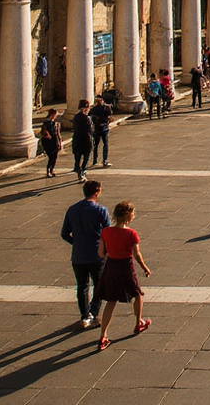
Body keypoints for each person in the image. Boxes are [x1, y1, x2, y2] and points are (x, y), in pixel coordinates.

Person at [95, 200, 152, 351]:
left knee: (111, 300)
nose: (134, 215)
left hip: (111, 266)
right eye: (133, 213)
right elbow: (137, 254)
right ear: (127, 215)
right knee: (137, 294)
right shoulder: (131, 233)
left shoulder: (106, 231)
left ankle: (103, 335)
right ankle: (138, 322)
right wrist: (145, 267)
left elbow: (101, 253)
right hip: (126, 267)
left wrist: (111, 254)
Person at [61, 179, 109, 329]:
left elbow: (64, 233)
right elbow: (107, 233)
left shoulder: (72, 209)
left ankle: (84, 315)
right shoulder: (101, 210)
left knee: (82, 286)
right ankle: (93, 313)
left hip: (78, 255)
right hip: (97, 254)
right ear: (96, 193)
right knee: (99, 285)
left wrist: (76, 243)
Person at [72, 100, 94, 181]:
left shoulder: (76, 117)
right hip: (85, 139)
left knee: (78, 157)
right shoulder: (87, 118)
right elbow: (90, 129)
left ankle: (79, 170)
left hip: (77, 139)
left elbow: (73, 127)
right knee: (86, 156)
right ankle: (83, 170)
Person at [90, 95, 113, 168]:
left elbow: (109, 117)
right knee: (99, 144)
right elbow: (108, 118)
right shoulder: (100, 108)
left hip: (101, 128)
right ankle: (98, 160)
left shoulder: (104, 108)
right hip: (100, 128)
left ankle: (101, 160)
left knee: (101, 144)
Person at [40, 108, 62, 178]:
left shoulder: (54, 123)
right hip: (49, 142)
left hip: (54, 141)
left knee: (54, 157)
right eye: (55, 115)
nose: (56, 116)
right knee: (52, 157)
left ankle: (51, 169)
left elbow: (56, 133)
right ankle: (49, 170)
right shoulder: (47, 123)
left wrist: (59, 141)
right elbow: (44, 132)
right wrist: (48, 135)